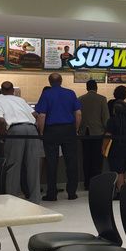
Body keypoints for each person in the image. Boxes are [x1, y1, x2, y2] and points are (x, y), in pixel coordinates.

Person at [0, 81, 41, 204]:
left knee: (13, 165)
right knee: (33, 165)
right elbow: (36, 115)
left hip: (15, 131)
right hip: (32, 130)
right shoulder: (20, 100)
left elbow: (0, 121)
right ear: (13, 91)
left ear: (1, 90)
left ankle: (12, 199)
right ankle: (35, 199)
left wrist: (2, 137)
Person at [34, 73, 81, 201]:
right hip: (68, 129)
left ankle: (52, 194)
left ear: (49, 82)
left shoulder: (46, 94)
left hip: (51, 130)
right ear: (61, 81)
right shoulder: (70, 93)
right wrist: (76, 129)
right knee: (71, 162)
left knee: (51, 162)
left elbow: (42, 116)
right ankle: (72, 192)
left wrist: (42, 132)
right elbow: (78, 113)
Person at [78, 79, 108, 190]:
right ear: (96, 87)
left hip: (84, 133)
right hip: (97, 133)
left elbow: (78, 116)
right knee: (97, 160)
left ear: (87, 87)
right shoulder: (102, 99)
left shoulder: (80, 99)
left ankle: (86, 183)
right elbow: (105, 118)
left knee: (86, 159)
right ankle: (96, 184)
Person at [105, 100, 126, 193]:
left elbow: (108, 134)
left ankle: (120, 191)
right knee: (122, 169)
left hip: (116, 148)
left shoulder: (112, 120)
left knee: (118, 170)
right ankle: (122, 188)